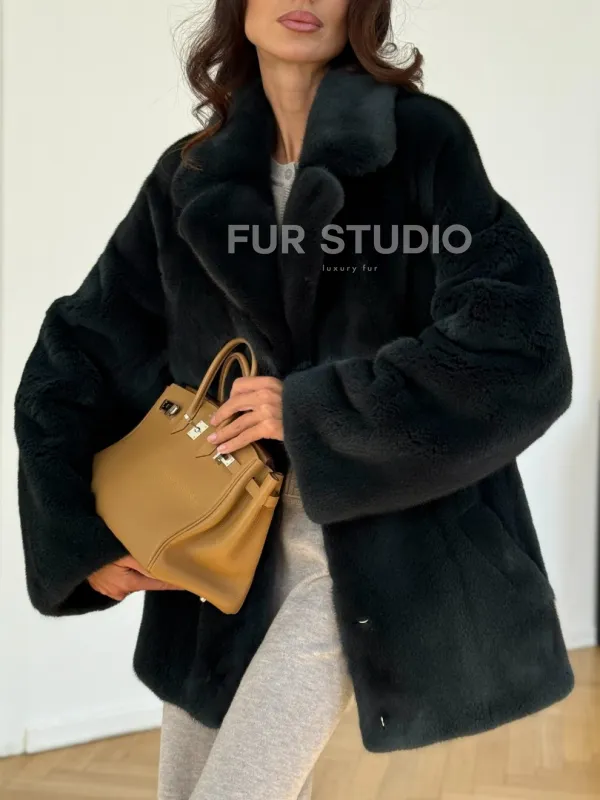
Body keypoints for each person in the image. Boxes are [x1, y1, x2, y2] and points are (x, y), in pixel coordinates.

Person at [14, 1, 575, 799]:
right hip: (213, 557)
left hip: (358, 556)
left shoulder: (421, 144)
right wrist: (75, 537)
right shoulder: (189, 177)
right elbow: (77, 351)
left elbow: (519, 347)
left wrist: (320, 411)